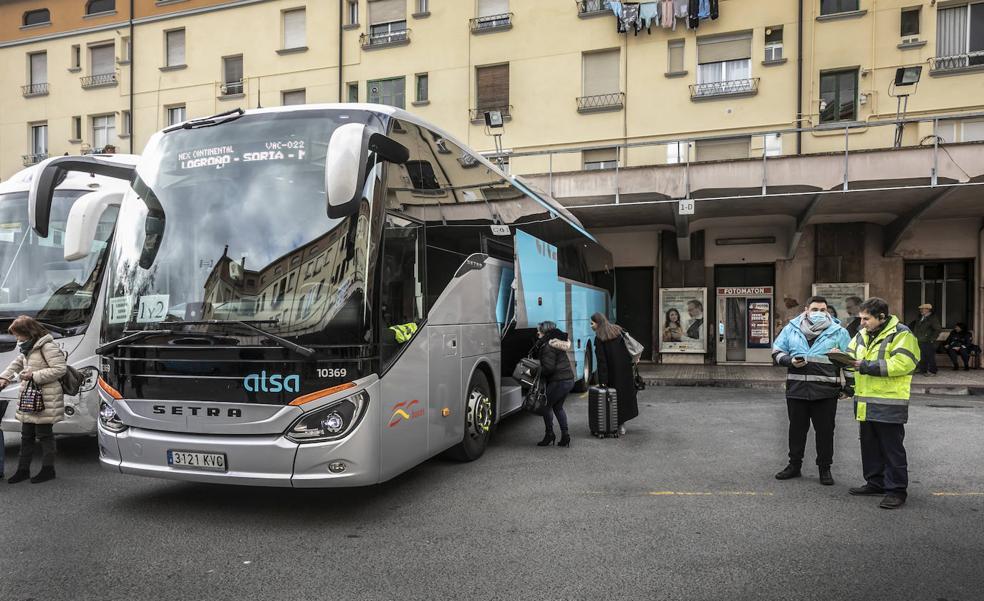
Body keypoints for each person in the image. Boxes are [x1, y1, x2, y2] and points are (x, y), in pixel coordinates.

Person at [844, 297, 920, 510]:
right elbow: (851, 354)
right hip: (865, 402)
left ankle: (896, 491)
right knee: (869, 446)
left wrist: (866, 366)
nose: (862, 323)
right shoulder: (862, 334)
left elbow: (904, 363)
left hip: (889, 402)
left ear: (881, 317)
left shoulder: (902, 334)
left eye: (866, 319)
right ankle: (875, 482)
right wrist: (839, 358)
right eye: (861, 318)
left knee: (891, 449)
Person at [772, 296, 853, 486]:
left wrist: (849, 386)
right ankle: (794, 466)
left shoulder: (838, 332)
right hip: (797, 389)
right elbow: (776, 352)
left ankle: (825, 469)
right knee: (796, 431)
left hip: (825, 392)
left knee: (825, 432)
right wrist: (789, 361)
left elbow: (849, 361)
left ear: (828, 311)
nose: (819, 313)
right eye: (815, 309)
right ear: (806, 309)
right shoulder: (791, 329)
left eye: (823, 310)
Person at [0, 316, 68, 484]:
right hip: (31, 396)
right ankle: (23, 470)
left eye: (18, 335)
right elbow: (16, 364)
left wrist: (34, 375)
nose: (17, 339)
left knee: (44, 435)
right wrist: (4, 378)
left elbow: (60, 369)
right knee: (26, 435)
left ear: (28, 332)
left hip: (46, 397)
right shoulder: (27, 347)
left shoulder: (47, 346)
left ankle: (48, 469)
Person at [591, 312, 639, 435]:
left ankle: (615, 425)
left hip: (612, 373)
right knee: (624, 397)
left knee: (612, 399)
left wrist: (603, 381)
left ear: (598, 323)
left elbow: (602, 363)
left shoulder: (600, 338)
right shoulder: (618, 330)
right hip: (625, 370)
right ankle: (622, 425)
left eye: (592, 323)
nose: (591, 326)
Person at [533, 321, 575, 448]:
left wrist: (534, 371)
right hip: (568, 379)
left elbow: (549, 368)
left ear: (544, 332)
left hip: (559, 381)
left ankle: (549, 434)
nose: (537, 333)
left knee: (546, 406)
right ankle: (565, 436)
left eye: (539, 331)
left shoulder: (547, 346)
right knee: (558, 407)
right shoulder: (556, 343)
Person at [910, 303, 942, 376]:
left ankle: (933, 371)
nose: (921, 310)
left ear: (928, 310)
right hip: (919, 339)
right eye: (920, 309)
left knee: (929, 356)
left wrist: (932, 339)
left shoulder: (932, 318)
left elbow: (937, 329)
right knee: (921, 356)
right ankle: (922, 369)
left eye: (923, 309)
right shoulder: (921, 317)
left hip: (927, 340)